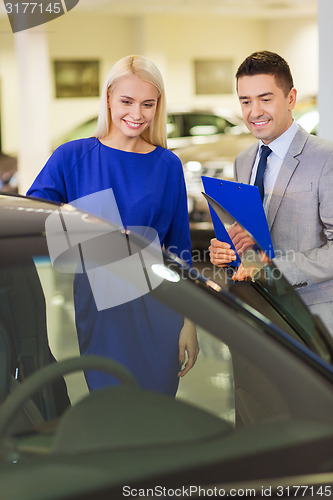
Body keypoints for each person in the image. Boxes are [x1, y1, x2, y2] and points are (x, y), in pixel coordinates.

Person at [27, 54, 199, 395]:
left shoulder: (167, 164)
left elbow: (180, 250)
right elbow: (35, 221)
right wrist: (92, 237)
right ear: (107, 98)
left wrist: (189, 324)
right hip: (101, 312)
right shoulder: (71, 157)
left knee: (157, 419)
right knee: (112, 413)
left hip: (161, 310)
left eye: (147, 104)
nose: (136, 114)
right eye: (126, 101)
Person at [209, 50, 333, 336]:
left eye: (265, 99)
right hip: (256, 316)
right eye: (246, 101)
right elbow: (251, 242)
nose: (255, 112)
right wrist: (229, 254)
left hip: (311, 320)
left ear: (290, 99)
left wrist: (273, 268)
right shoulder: (243, 160)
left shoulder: (326, 159)